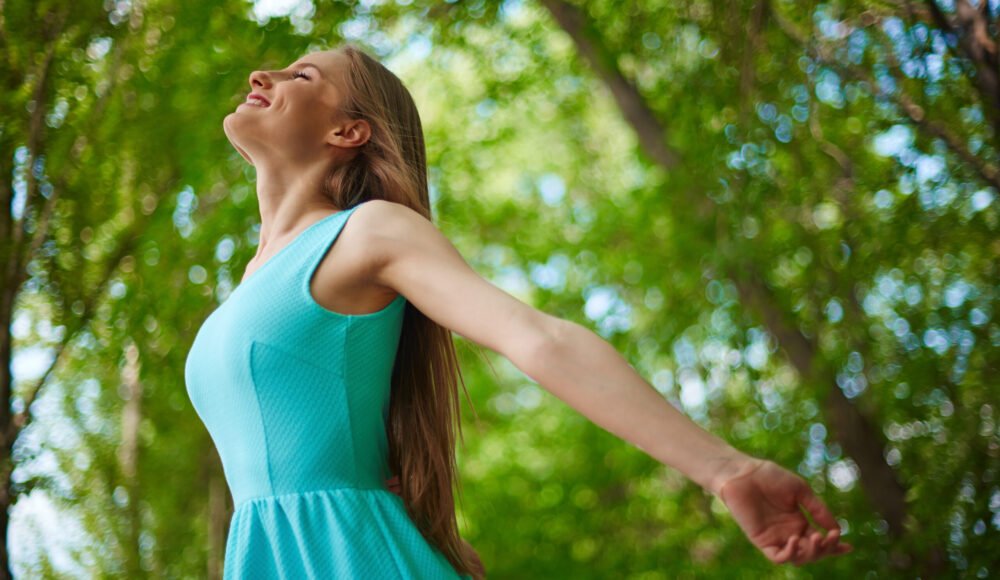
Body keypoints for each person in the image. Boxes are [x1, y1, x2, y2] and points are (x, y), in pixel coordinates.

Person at [184, 44, 852, 579]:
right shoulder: (250, 282)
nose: (261, 73)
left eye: (301, 73)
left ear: (348, 129)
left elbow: (539, 339)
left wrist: (724, 468)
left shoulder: (369, 231)